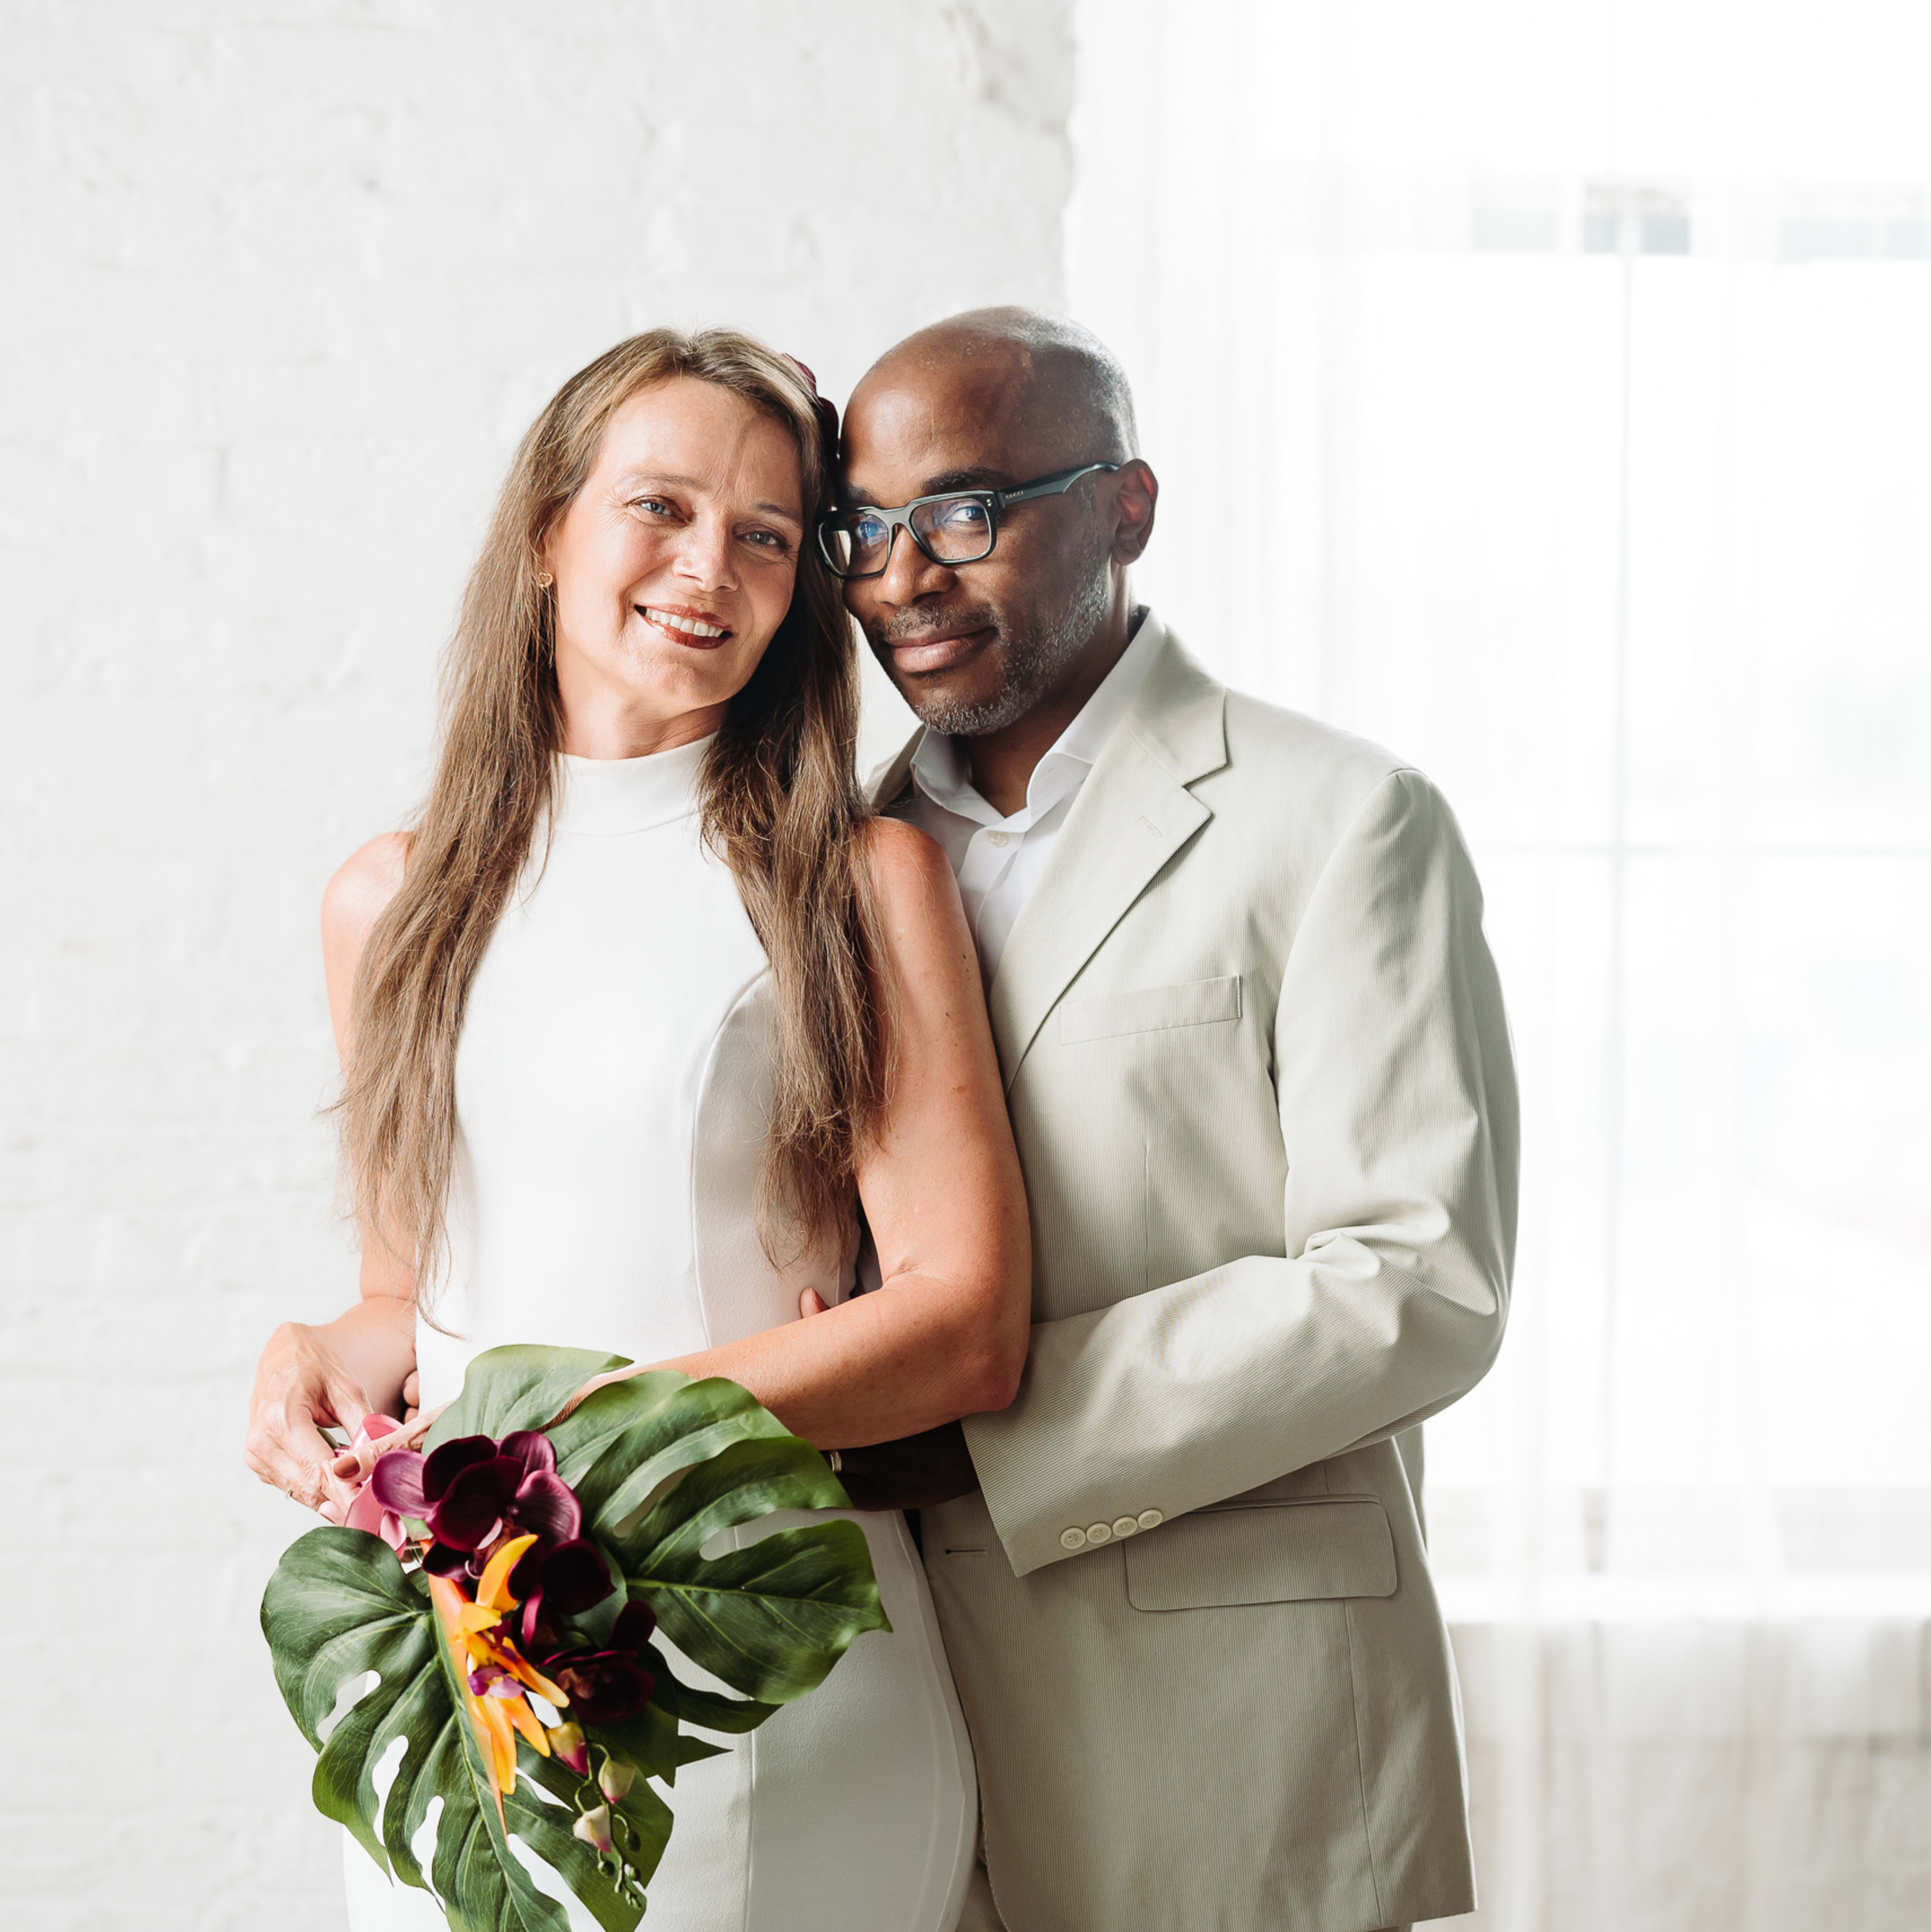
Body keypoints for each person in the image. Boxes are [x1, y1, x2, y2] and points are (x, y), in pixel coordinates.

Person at [242, 329, 1031, 1932]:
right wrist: (324, 1342)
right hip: (473, 1672)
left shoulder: (855, 888)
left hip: (765, 1653)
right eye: (658, 506)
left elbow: (966, 1328)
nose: (708, 566)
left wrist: (589, 1430)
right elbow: (422, 1287)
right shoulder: (388, 904)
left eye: (762, 531)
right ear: (548, 531)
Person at [819, 308, 1518, 1932]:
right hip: (893, 1733)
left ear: (1126, 509)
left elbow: (1416, 1282)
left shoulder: (1344, 821)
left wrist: (982, 1434)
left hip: (1234, 1725)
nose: (904, 576)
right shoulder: (826, 865)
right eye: (863, 530)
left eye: (965, 511)